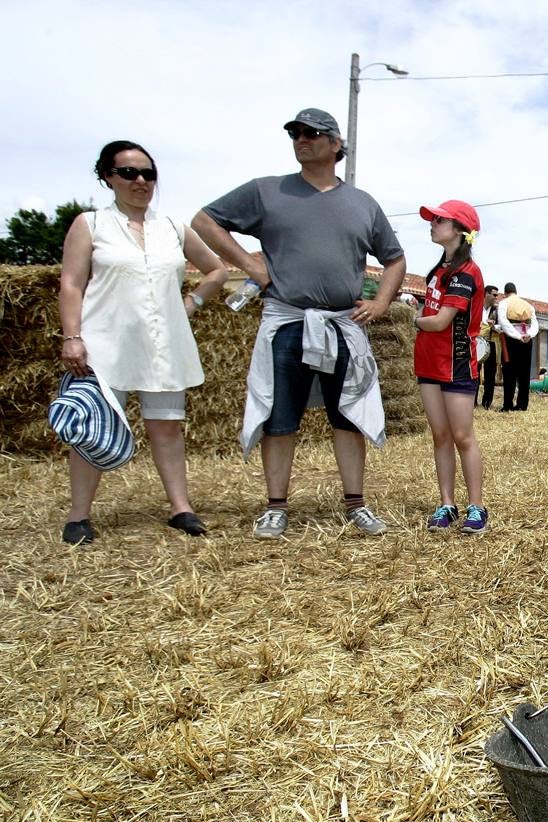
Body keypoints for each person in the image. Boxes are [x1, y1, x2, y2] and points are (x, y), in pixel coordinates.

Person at [192, 108, 406, 539]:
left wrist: (381, 302)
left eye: (311, 133)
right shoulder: (266, 191)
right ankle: (275, 508)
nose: (301, 139)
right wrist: (250, 265)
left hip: (342, 324)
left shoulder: (362, 203)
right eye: (294, 132)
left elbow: (395, 258)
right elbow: (204, 221)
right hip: (287, 321)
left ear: (336, 144)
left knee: (348, 414)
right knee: (278, 414)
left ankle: (356, 504)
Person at [56, 140, 229, 544]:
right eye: (129, 173)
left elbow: (217, 271)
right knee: (92, 426)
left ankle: (181, 508)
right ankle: (79, 516)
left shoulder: (172, 227)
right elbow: (72, 283)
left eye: (148, 173)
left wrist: (191, 302)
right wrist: (72, 337)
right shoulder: (90, 224)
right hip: (104, 343)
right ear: (108, 177)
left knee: (167, 426)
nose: (140, 181)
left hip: (163, 343)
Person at [413, 199, 489, 535]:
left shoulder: (467, 273)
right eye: (433, 220)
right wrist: (422, 320)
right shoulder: (438, 271)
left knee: (462, 436)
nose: (432, 224)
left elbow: (441, 321)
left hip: (456, 364)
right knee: (440, 436)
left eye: (439, 220)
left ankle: (477, 507)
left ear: (460, 230)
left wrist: (413, 320)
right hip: (428, 363)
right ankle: (446, 503)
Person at [495, 281, 538, 412]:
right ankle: (522, 405)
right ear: (516, 291)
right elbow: (535, 323)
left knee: (509, 373)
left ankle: (508, 405)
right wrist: (529, 335)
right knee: (524, 374)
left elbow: (503, 322)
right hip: (527, 341)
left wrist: (517, 336)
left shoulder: (504, 303)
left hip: (511, 340)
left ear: (505, 293)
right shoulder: (528, 305)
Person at [477, 285, 501, 409]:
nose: (496, 297)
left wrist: (494, 326)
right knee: (474, 373)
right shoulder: (476, 307)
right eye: (494, 295)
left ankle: (486, 403)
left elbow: (502, 327)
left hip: (491, 342)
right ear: (486, 294)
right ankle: (472, 402)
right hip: (476, 342)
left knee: (490, 374)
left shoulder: (497, 311)